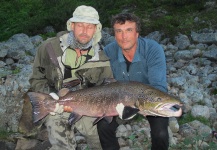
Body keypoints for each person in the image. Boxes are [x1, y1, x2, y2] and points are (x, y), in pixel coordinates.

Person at [29, 5, 114, 150]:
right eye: (80, 25)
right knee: (61, 144)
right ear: (72, 26)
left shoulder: (102, 58)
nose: (84, 31)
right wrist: (52, 95)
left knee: (105, 139)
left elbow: (109, 88)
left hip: (88, 108)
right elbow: (36, 79)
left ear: (96, 30)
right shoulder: (48, 48)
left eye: (90, 27)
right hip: (57, 106)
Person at [103, 13, 169, 150]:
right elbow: (104, 84)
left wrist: (146, 107)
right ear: (114, 34)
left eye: (129, 30)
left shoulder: (153, 49)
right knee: (103, 127)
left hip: (148, 99)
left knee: (161, 133)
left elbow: (158, 86)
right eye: (119, 31)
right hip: (119, 101)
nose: (123, 36)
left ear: (137, 33)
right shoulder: (108, 52)